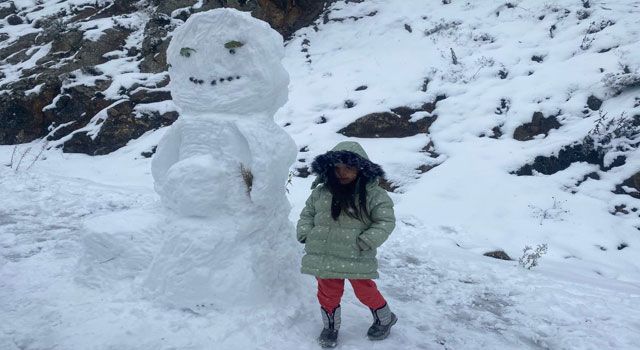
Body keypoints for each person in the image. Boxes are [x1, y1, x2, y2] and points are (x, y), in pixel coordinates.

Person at [296, 141, 397, 348]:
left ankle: (385, 318)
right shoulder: (321, 192)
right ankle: (330, 327)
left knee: (365, 290)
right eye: (337, 168)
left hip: (356, 253)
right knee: (327, 293)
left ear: (361, 169)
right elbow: (307, 214)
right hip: (324, 253)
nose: (342, 173)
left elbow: (385, 221)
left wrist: (366, 241)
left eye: (349, 168)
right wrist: (306, 233)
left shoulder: (373, 194)